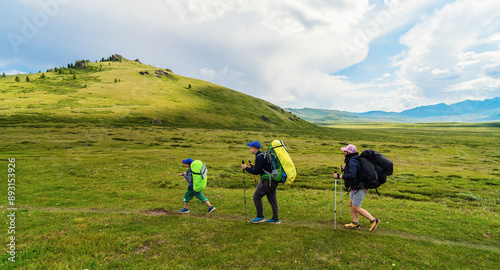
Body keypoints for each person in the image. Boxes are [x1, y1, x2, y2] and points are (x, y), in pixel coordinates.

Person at [334, 144, 380, 232]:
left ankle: (374, 220)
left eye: (345, 151)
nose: (344, 153)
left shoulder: (353, 161)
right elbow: (355, 171)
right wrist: (345, 169)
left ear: (349, 152)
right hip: (356, 186)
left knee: (356, 207)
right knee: (351, 203)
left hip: (360, 187)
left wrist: (340, 176)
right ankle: (355, 223)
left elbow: (352, 175)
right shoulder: (354, 159)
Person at [241, 141, 280, 224]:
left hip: (266, 181)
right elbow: (264, 167)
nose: (250, 149)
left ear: (255, 149)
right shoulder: (264, 154)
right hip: (273, 180)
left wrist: (246, 168)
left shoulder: (259, 157)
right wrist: (254, 166)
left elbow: (256, 172)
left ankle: (260, 217)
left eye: (251, 148)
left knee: (256, 197)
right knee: (272, 199)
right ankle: (275, 219)